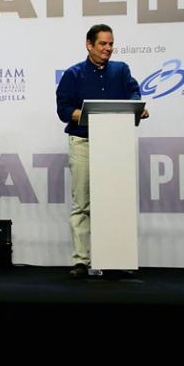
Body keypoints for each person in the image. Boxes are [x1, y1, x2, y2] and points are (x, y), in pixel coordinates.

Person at [56, 24, 148, 279]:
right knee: (82, 203)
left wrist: (136, 107)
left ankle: (115, 258)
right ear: (89, 45)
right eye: (102, 44)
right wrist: (88, 115)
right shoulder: (73, 74)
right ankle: (81, 261)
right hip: (82, 142)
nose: (108, 48)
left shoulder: (121, 70)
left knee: (115, 201)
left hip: (114, 144)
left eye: (110, 44)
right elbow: (63, 110)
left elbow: (134, 93)